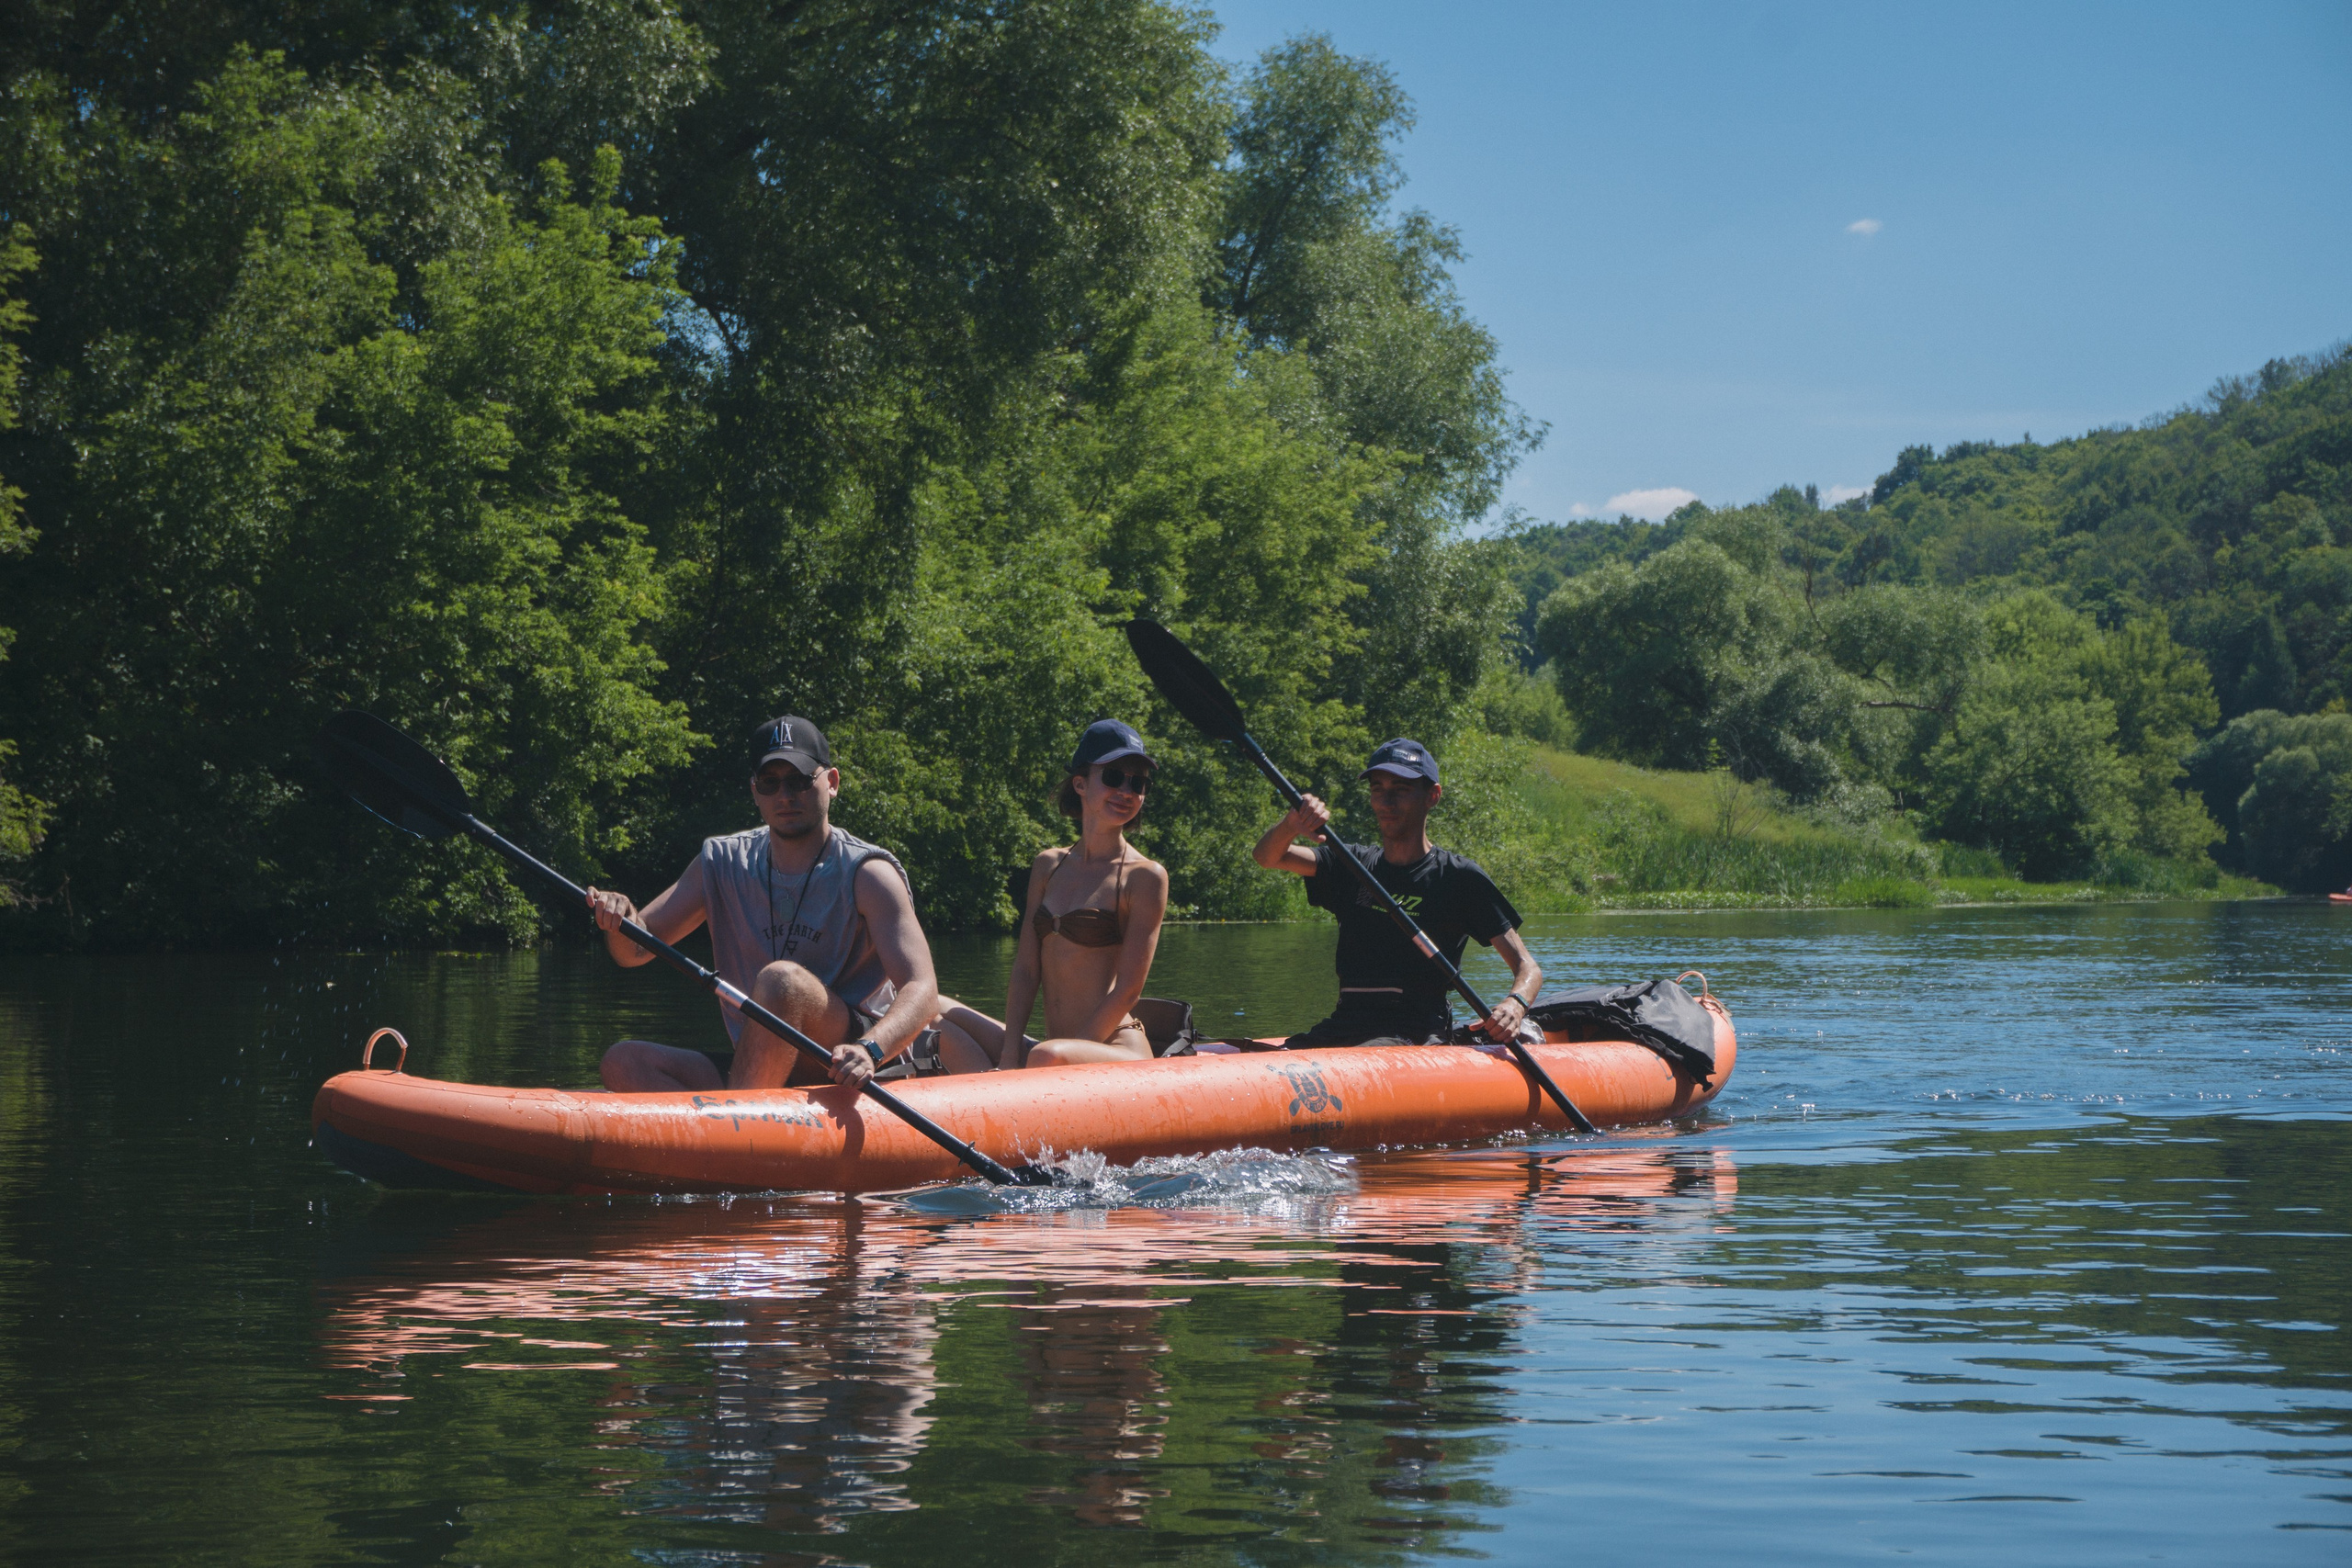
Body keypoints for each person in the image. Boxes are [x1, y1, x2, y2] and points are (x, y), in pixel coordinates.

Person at [589, 716, 944, 1091]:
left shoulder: (869, 873)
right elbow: (633, 952)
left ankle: (738, 1132)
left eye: (799, 780)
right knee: (623, 1063)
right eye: (770, 783)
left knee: (781, 981)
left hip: (846, 1059)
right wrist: (621, 917)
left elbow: (922, 989)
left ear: (832, 783)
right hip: (760, 1058)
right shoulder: (722, 862)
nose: (785, 796)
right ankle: (732, 1128)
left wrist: (871, 1049)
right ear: (754, 790)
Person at [1253, 737, 1543, 1047]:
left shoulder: (1459, 878)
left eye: (1401, 790)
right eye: (1378, 789)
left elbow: (1528, 967)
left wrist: (1515, 1004)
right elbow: (1268, 857)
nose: (1386, 802)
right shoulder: (1351, 864)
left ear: (1432, 796)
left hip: (1415, 1033)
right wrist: (1291, 824)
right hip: (1344, 1027)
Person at [934, 719, 1170, 1069]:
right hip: (1053, 1050)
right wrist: (1010, 1054)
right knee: (930, 1006)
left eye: (1138, 783)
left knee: (1047, 1054)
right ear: (1080, 783)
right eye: (1113, 777)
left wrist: (1058, 1057)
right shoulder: (1048, 865)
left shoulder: (1145, 876)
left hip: (1113, 1050)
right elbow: (1026, 971)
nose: (1126, 791)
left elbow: (1128, 991)